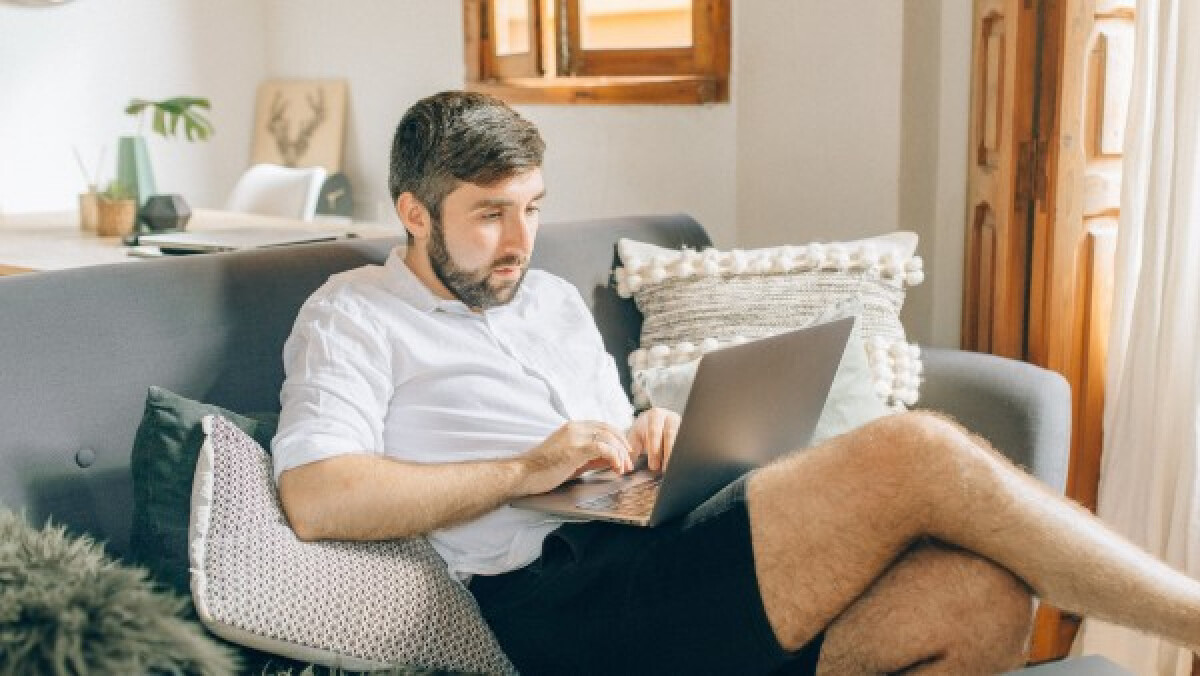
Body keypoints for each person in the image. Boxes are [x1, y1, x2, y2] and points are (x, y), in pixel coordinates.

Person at [272, 90, 1200, 675]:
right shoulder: (351, 315)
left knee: (978, 595)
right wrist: (521, 470)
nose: (519, 242)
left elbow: (605, 431)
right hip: (558, 606)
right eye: (489, 218)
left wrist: (645, 434)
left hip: (657, 549)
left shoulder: (547, 298)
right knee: (913, 449)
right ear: (413, 213)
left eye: (532, 211)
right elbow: (317, 497)